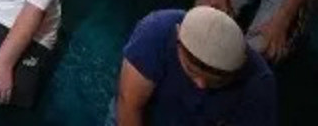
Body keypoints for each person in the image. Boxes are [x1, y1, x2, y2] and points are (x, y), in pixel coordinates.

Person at [110, 7, 277, 126]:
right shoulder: (156, 32)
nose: (201, 85)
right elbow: (129, 105)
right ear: (178, 41)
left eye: (219, 81)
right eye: (191, 70)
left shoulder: (259, 84)